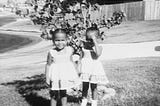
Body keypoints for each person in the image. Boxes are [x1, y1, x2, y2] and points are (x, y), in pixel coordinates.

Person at [45, 29, 80, 106]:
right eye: (57, 40)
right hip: (55, 75)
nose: (60, 43)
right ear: (53, 41)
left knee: (63, 92)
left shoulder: (69, 50)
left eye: (62, 40)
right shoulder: (51, 52)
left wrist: (77, 72)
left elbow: (72, 61)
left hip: (65, 74)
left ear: (66, 40)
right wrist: (47, 78)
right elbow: (48, 65)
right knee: (54, 93)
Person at [80, 27, 109, 106]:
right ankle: (84, 101)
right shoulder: (84, 47)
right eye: (88, 39)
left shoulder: (98, 47)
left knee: (94, 87)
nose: (90, 42)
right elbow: (81, 57)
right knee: (85, 86)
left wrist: (95, 42)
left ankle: (94, 102)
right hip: (85, 69)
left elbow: (98, 54)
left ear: (97, 38)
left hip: (94, 69)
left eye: (91, 40)